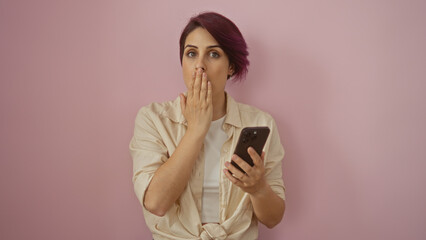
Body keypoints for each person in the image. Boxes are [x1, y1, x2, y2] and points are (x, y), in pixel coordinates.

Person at [129, 11, 286, 240]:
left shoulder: (260, 123)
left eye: (213, 54)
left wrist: (258, 188)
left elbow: (273, 218)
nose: (199, 66)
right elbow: (156, 203)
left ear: (231, 66)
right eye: (191, 53)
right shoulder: (152, 119)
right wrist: (196, 130)